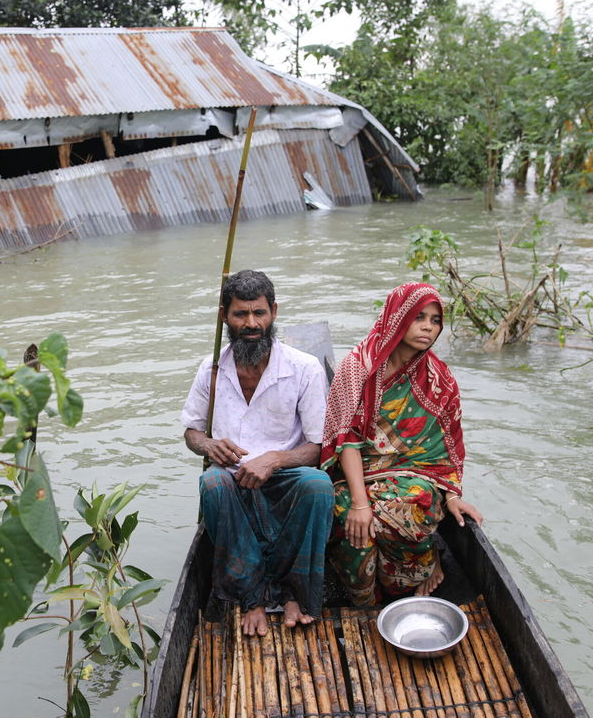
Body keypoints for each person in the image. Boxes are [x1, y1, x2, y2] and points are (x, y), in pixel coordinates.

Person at [181, 270, 334, 636]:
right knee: (213, 484)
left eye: (259, 313)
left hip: (285, 475)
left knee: (318, 486)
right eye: (240, 314)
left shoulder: (304, 368)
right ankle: (252, 597)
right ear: (225, 316)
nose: (251, 324)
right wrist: (209, 444)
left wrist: (275, 459)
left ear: (274, 312)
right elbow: (191, 432)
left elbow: (317, 447)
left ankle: (296, 593)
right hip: (233, 476)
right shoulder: (211, 369)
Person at [320, 282, 484, 607]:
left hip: (411, 479)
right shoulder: (358, 366)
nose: (427, 326)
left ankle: (415, 569)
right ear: (398, 317)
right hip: (353, 477)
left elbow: (446, 447)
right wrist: (359, 503)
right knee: (350, 524)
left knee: (418, 503)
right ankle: (368, 601)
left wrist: (451, 495)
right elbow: (346, 441)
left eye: (435, 320)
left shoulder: (440, 379)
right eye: (418, 317)